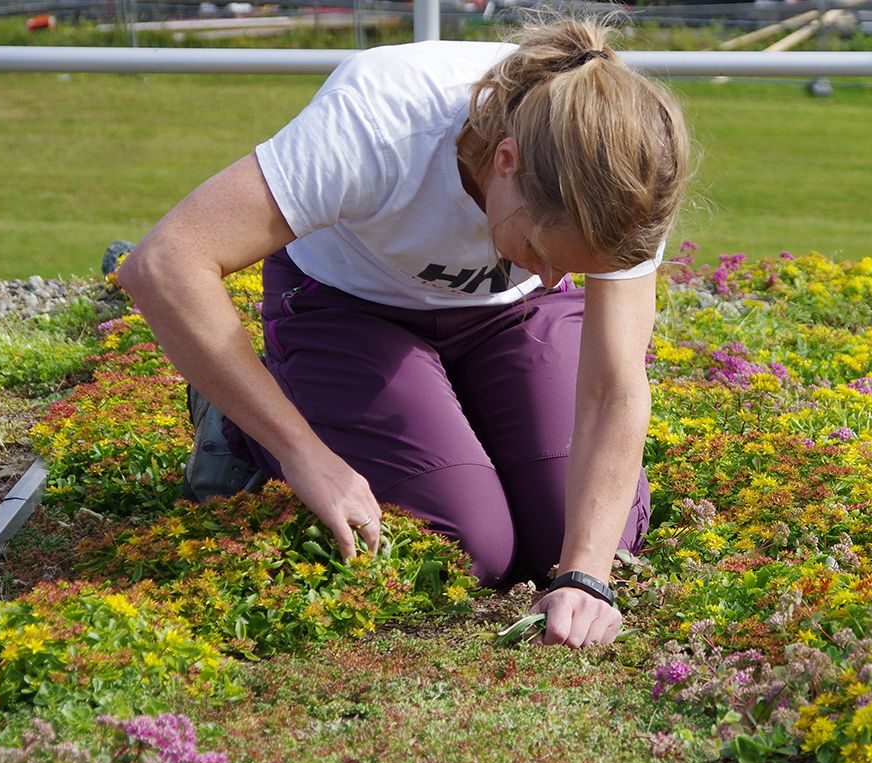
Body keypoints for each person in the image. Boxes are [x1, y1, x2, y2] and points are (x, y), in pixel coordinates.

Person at [116, 19, 690, 649]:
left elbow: (614, 387)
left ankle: (450, 421)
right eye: (540, 250)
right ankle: (234, 424)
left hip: (507, 316)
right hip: (350, 308)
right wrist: (304, 455)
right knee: (470, 543)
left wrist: (586, 575)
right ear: (506, 161)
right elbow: (165, 262)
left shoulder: (628, 170)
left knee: (570, 531)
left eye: (576, 269)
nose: (557, 279)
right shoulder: (382, 120)